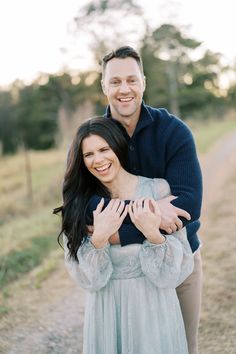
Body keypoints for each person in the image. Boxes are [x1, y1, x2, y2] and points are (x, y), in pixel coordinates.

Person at [55, 116, 194, 354]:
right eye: (88, 154)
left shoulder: (158, 190)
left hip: (154, 308)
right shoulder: (81, 204)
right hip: (106, 311)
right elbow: (89, 281)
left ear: (117, 147)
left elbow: (175, 273)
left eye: (104, 149)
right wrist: (99, 240)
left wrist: (153, 235)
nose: (98, 160)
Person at [100, 46, 203, 354]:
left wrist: (116, 230)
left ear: (143, 81)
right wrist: (155, 212)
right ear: (103, 85)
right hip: (121, 275)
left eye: (131, 80)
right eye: (115, 81)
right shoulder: (91, 138)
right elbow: (83, 207)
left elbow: (189, 202)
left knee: (184, 348)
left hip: (178, 259)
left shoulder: (174, 131)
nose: (124, 89)